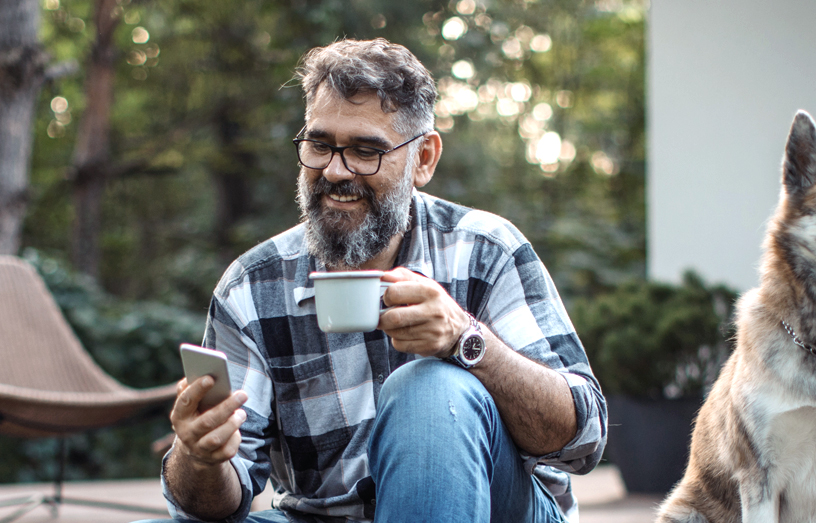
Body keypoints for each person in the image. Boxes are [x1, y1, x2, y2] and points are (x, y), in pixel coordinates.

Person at [142, 38, 606, 523]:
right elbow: (215, 506)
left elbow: (584, 440)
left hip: (500, 511)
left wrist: (466, 340)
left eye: (366, 151)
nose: (336, 170)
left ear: (423, 159)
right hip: (320, 517)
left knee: (428, 392)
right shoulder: (253, 287)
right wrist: (198, 457)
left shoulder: (485, 250)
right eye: (320, 145)